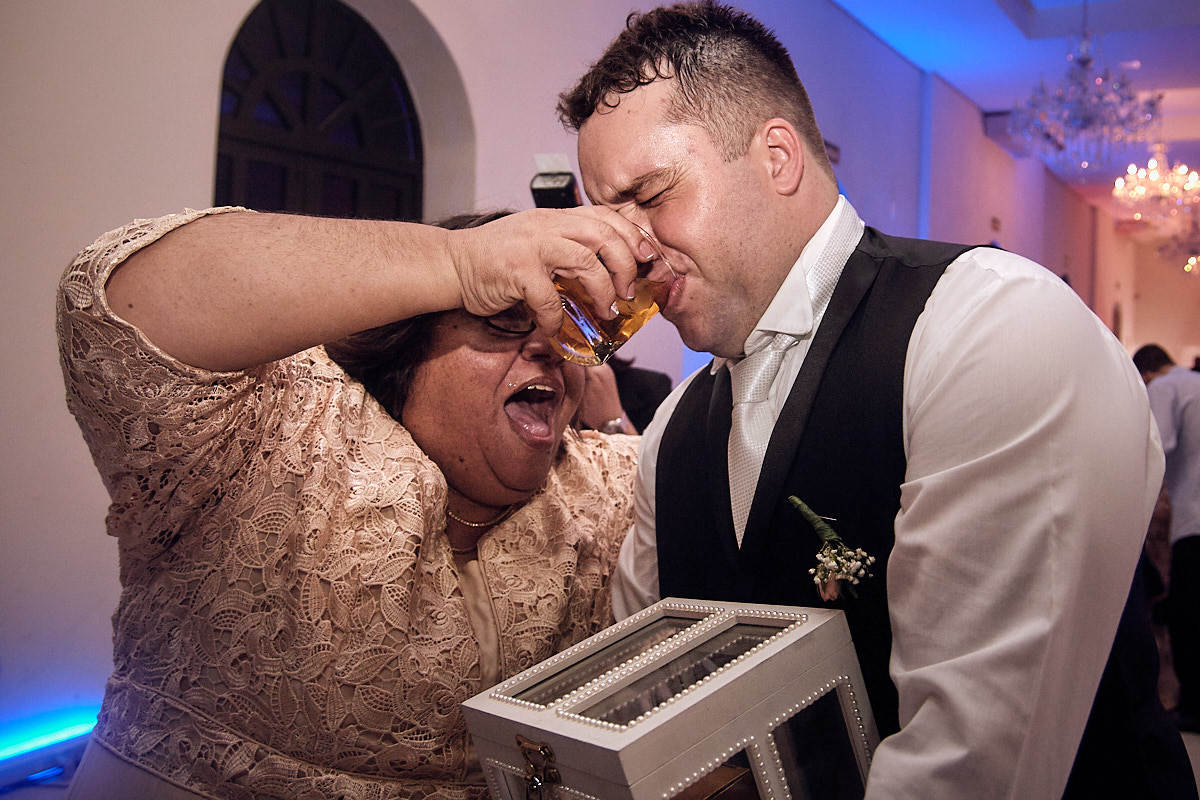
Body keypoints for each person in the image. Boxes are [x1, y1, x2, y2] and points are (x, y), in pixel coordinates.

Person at [555, 3, 1196, 797]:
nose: (625, 249)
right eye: (605, 217)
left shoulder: (989, 327)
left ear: (778, 155)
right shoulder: (676, 429)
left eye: (648, 195)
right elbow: (646, 704)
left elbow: (971, 769)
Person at [57, 206, 654, 799]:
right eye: (502, 321)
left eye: (568, 329)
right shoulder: (278, 432)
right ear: (409, 350)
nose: (550, 348)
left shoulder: (600, 483)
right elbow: (110, 307)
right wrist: (459, 261)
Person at [1134, 344, 1200, 734]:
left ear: (1146, 374)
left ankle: (1192, 705)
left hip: (1191, 520)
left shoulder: (1165, 387)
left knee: (1187, 613)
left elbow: (1153, 449)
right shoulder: (1194, 382)